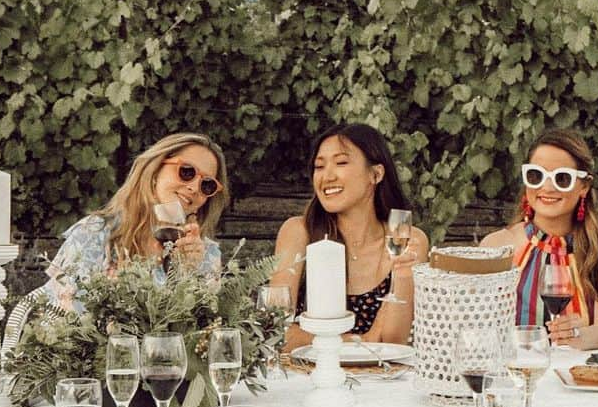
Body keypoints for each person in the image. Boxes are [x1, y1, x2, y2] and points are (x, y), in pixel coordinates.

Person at [270, 122, 430, 348]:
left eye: (341, 163)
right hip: (307, 377)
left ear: (375, 174)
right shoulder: (298, 232)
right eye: (319, 166)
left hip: (380, 379)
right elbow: (274, 328)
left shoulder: (405, 236)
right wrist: (360, 341)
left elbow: (394, 341)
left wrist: (401, 277)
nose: (327, 176)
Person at [480, 128, 598, 350]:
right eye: (536, 175)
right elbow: (478, 323)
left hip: (579, 376)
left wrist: (577, 335)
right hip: (515, 374)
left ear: (584, 187)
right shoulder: (497, 245)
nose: (547, 187)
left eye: (562, 178)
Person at [43, 132, 227, 311]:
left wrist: (187, 274)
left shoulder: (206, 253)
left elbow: (205, 332)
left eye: (207, 185)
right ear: (155, 171)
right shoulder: (94, 234)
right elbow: (58, 318)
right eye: (187, 172)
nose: (194, 188)